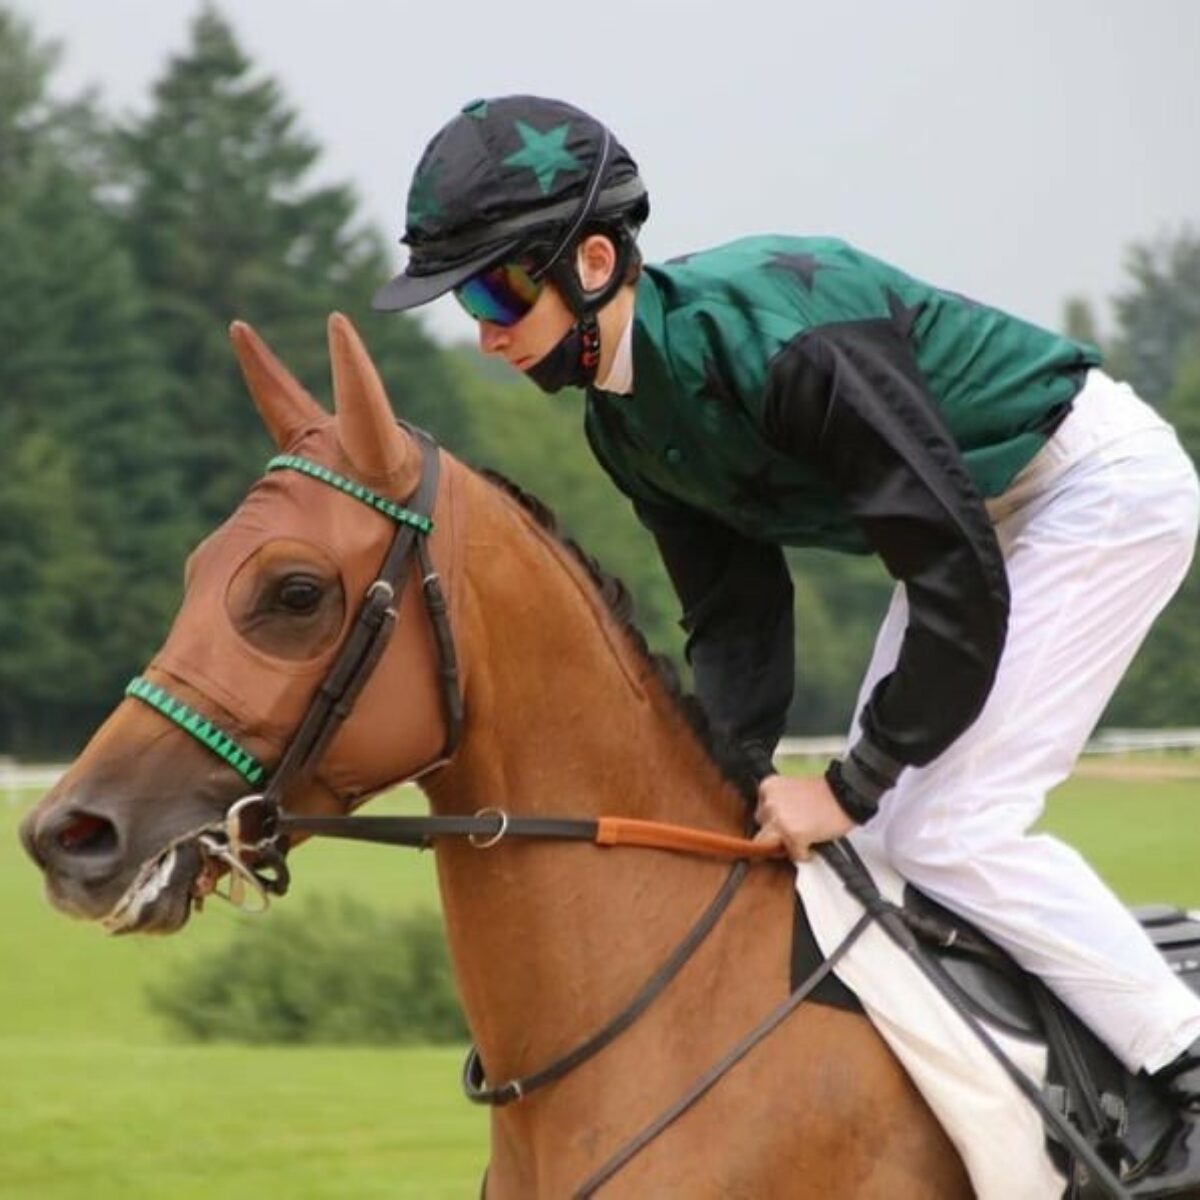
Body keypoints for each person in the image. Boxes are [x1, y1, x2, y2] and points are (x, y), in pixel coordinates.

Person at [374, 94, 1200, 1193]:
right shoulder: (626, 420)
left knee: (943, 825)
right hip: (979, 529)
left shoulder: (783, 349)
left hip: (1093, 489)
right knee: (877, 846)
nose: (483, 329)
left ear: (595, 262)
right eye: (464, 299)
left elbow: (956, 579)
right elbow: (736, 617)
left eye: (496, 290)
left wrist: (849, 783)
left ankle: (1182, 1070)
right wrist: (730, 786)